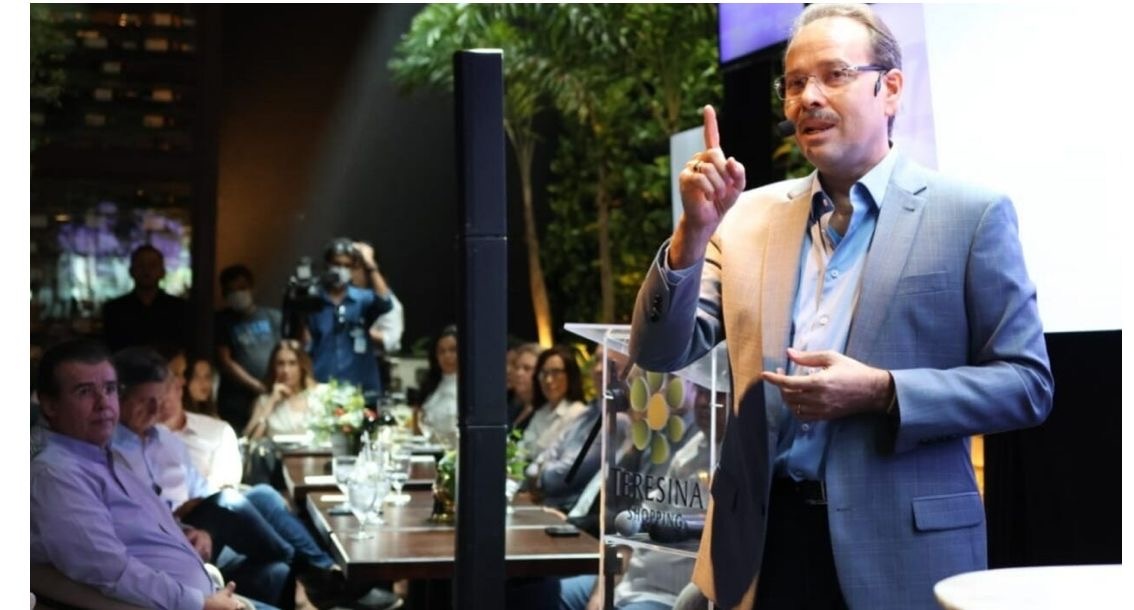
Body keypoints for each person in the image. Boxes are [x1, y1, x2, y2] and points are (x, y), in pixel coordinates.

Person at [628, 4, 1054, 609]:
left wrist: (883, 390)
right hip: (761, 548)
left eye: (833, 75)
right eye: (795, 83)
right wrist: (690, 236)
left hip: (901, 551)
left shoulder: (969, 215)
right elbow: (659, 351)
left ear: (890, 89)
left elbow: (1028, 385)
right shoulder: (745, 216)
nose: (808, 98)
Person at [31, 338, 268, 610]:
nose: (103, 403)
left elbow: (139, 523)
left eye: (109, 389)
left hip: (205, 590)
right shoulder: (56, 473)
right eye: (85, 392)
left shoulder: (101, 455)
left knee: (273, 556)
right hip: (189, 604)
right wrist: (199, 602)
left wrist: (185, 531)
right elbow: (109, 570)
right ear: (49, 405)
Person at [302, 238, 393, 406]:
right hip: (323, 385)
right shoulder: (314, 300)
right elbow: (303, 345)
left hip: (361, 385)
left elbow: (386, 302)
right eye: (336, 264)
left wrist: (370, 264)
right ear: (327, 266)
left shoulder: (361, 299)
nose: (341, 269)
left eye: (347, 265)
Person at [215, 264, 283, 433]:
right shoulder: (221, 321)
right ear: (224, 294)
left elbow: (286, 352)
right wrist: (256, 386)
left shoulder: (273, 317)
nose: (237, 294)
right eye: (231, 290)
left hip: (272, 395)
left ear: (252, 289)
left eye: (242, 288)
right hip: (236, 400)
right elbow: (225, 360)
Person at [164, 351, 244, 491]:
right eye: (196, 377)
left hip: (216, 497)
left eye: (207, 377)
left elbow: (226, 480)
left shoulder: (218, 428)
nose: (204, 383)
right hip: (190, 502)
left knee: (264, 494)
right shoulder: (154, 434)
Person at [102, 244, 191, 353]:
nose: (146, 270)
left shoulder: (179, 309)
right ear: (131, 271)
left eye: (152, 265)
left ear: (162, 272)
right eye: (141, 265)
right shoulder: (114, 310)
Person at [519, 346, 588, 460]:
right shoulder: (541, 411)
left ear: (571, 376)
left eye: (556, 373)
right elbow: (521, 451)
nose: (548, 380)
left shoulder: (578, 413)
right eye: (544, 373)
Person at [244, 339, 320, 439]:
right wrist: (271, 403)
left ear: (302, 366)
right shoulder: (264, 401)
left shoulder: (320, 394)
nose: (286, 370)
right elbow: (249, 440)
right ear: (273, 367)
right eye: (280, 363)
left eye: (292, 363)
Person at [416, 325, 458, 448]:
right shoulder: (432, 384)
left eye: (453, 350)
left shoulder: (469, 388)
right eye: (442, 351)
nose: (447, 356)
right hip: (428, 451)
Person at [507, 342, 542, 432]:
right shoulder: (513, 406)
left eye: (527, 368)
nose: (519, 373)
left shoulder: (544, 411)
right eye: (516, 367)